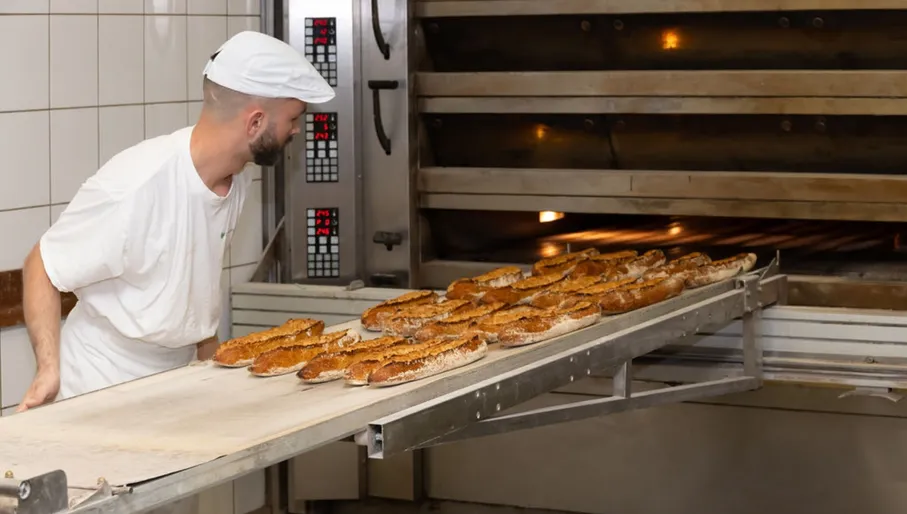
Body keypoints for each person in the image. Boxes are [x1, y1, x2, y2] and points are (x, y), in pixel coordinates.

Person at [17, 30, 335, 411]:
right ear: (254, 123)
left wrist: (212, 368)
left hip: (176, 383)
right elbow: (42, 265)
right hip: (100, 389)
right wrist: (48, 371)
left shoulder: (237, 180)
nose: (297, 130)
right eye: (294, 118)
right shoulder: (138, 185)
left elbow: (193, 287)